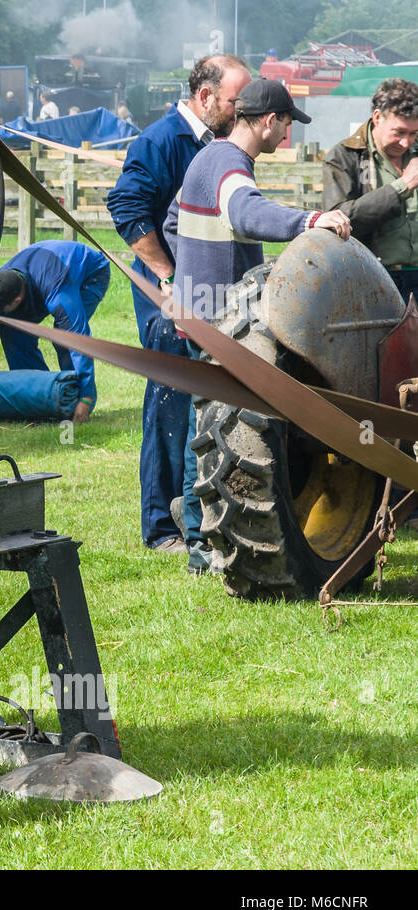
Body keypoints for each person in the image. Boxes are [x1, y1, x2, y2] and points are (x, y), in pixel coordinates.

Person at [164, 77, 351, 575]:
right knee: (208, 437)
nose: (286, 136)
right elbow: (246, 215)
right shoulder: (228, 164)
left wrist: (188, 277)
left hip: (199, 314)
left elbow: (171, 222)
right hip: (219, 325)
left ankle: (198, 538)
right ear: (269, 121)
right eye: (287, 124)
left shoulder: (207, 158)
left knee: (198, 432)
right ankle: (204, 548)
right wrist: (311, 221)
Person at [105, 54, 250, 556]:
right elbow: (125, 207)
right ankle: (160, 525)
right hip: (166, 297)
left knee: (198, 402)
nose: (242, 110)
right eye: (236, 101)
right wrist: (168, 279)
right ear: (206, 97)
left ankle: (192, 512)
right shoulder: (163, 139)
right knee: (169, 403)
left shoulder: (216, 143)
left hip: (200, 294)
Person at [0, 239, 110, 424]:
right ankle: (38, 397)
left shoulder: (58, 292)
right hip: (41, 270)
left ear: (18, 300)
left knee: (63, 337)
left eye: (0, 310)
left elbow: (78, 341)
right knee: (12, 331)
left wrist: (86, 398)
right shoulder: (2, 286)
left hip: (89, 272)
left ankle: (76, 402)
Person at [323, 77, 418, 303]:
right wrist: (401, 186)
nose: (406, 142)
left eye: (413, 133)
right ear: (377, 117)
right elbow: (339, 218)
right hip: (374, 278)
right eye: (399, 132)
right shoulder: (344, 156)